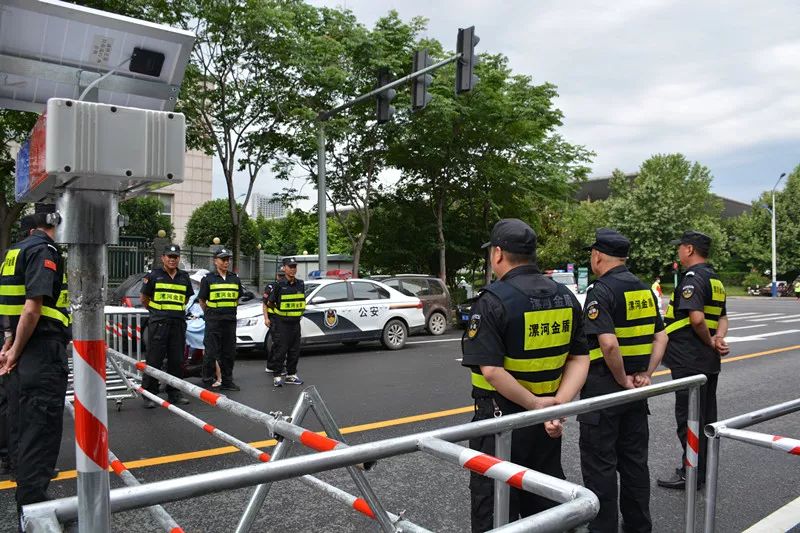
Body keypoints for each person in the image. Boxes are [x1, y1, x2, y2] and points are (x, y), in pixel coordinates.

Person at [461, 218, 589, 532]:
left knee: (495, 511)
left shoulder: (492, 301)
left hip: (500, 424)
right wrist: (557, 404)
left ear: (498, 254)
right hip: (547, 425)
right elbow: (579, 357)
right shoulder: (565, 297)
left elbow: (491, 370)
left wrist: (535, 404)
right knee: (545, 509)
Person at [578, 229, 668, 533]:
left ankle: (603, 529)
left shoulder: (600, 291)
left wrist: (621, 379)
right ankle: (638, 527)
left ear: (598, 255)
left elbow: (608, 344)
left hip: (605, 391)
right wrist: (646, 374)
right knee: (634, 465)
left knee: (600, 469)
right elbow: (661, 337)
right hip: (636, 393)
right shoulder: (644, 290)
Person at [0, 212, 71, 524]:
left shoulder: (12, 253)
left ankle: (26, 506)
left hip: (24, 349)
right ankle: (35, 513)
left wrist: (9, 343)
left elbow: (10, 305)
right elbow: (32, 307)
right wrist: (15, 349)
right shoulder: (44, 250)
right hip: (40, 351)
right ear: (50, 226)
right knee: (39, 433)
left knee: (22, 429)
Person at [657, 231, 729, 490]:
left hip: (689, 358)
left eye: (680, 247)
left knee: (689, 419)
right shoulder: (715, 280)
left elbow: (696, 319)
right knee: (706, 416)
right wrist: (718, 338)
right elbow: (722, 317)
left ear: (689, 249)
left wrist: (709, 340)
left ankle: (692, 474)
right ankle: (703, 471)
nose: (678, 251)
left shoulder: (693, 278)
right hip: (707, 360)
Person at [140, 244, 194, 408]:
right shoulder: (154, 275)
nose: (172, 259)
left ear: (179, 258)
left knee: (177, 360)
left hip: (177, 323)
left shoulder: (184, 277)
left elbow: (186, 299)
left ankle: (174, 392)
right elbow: (144, 298)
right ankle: (149, 394)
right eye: (169, 256)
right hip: (159, 324)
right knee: (154, 359)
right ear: (163, 258)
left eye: (175, 257)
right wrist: (158, 312)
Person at [198, 248, 242, 391]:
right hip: (214, 321)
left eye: (227, 259)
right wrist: (210, 314)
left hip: (229, 321)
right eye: (223, 259)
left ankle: (227, 381)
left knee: (229, 352)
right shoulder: (208, 279)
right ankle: (207, 381)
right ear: (215, 261)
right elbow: (202, 300)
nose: (226, 262)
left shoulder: (234, 278)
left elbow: (237, 298)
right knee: (211, 352)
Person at [267, 257, 306, 387]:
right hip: (282, 323)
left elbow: (301, 301)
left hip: (295, 323)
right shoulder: (279, 285)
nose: (293, 269)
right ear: (284, 268)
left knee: (294, 350)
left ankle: (291, 375)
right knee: (281, 349)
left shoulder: (300, 284)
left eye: (295, 267)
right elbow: (270, 303)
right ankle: (277, 376)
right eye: (290, 267)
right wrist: (279, 314)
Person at [263, 269, 286, 374]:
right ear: (276, 276)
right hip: (273, 317)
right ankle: (278, 366)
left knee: (280, 342)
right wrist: (266, 318)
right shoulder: (271, 287)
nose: (281, 278)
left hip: (283, 318)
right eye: (280, 276)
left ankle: (271, 365)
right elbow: (265, 304)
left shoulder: (287, 286)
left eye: (283, 276)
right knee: (278, 342)